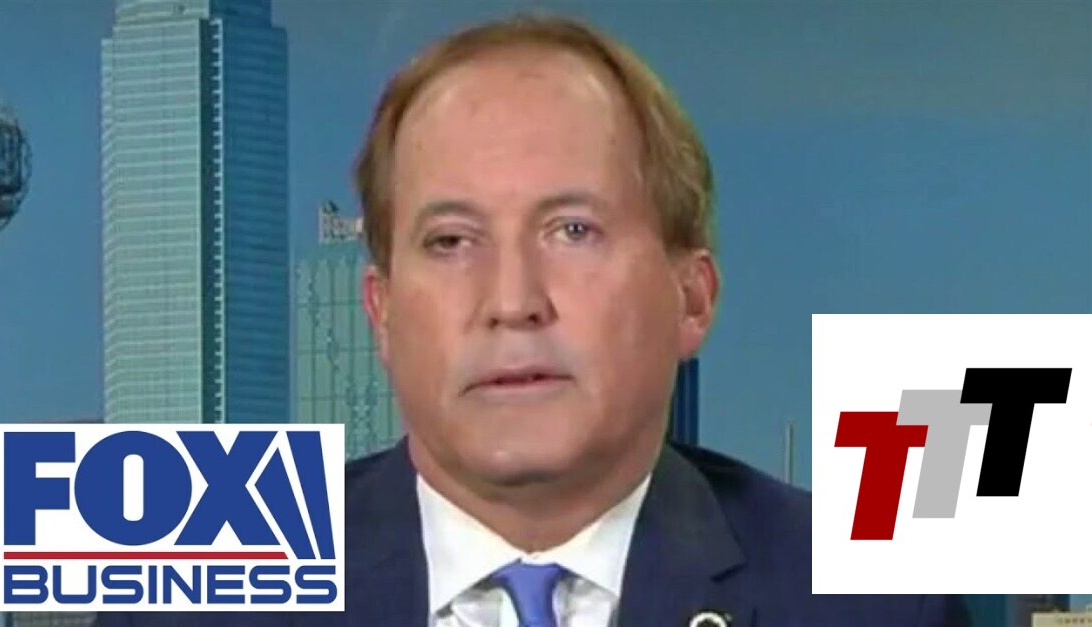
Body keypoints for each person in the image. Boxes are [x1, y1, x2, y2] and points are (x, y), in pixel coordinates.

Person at [100, 13, 969, 627]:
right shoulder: (192, 597)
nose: (511, 299)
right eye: (450, 241)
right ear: (381, 311)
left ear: (691, 298)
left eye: (572, 230)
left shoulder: (872, 600)